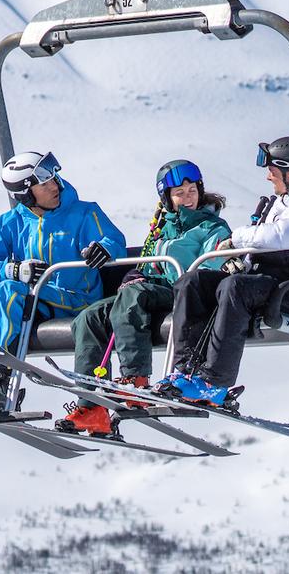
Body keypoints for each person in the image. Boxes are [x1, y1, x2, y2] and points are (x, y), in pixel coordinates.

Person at [155, 135, 289, 409]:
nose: (269, 177)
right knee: (195, 281)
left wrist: (239, 238)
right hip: (268, 285)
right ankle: (183, 372)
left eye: (273, 171)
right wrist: (239, 260)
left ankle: (214, 382)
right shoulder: (284, 201)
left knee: (235, 288)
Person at [55, 159, 232, 438]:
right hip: (153, 291)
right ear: (167, 198)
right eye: (180, 193)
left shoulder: (212, 228)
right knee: (89, 318)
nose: (188, 197)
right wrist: (135, 274)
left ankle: (135, 379)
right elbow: (149, 266)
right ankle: (92, 409)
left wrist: (146, 282)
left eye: (192, 190)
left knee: (133, 296)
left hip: (186, 294)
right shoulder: (162, 228)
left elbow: (210, 270)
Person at [0, 150, 124, 411]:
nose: (55, 186)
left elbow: (113, 241)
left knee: (9, 292)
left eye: (54, 179)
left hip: (74, 298)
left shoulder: (84, 213)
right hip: (31, 300)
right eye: (45, 184)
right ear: (27, 194)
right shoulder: (13, 222)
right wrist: (13, 269)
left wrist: (104, 249)